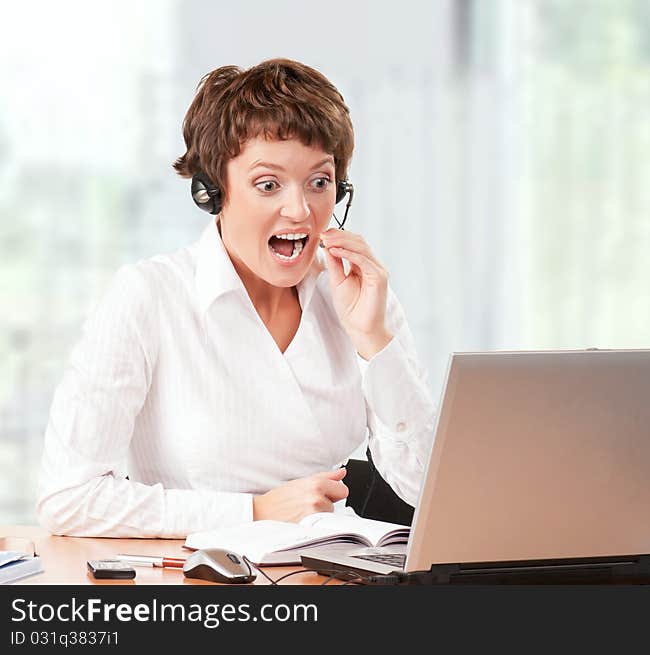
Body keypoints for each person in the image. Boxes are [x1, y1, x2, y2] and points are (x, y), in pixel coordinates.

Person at [35, 58, 436, 538]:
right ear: (212, 191)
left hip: (330, 566)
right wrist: (253, 512)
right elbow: (68, 498)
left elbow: (424, 489)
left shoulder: (358, 298)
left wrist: (376, 342)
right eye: (269, 184)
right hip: (200, 581)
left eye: (320, 182)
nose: (300, 210)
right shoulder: (149, 297)